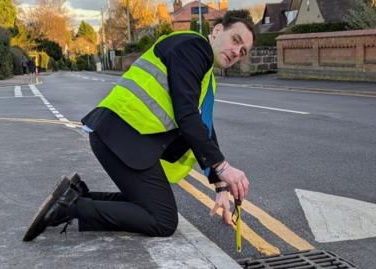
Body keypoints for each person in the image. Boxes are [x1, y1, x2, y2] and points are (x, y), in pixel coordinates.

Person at [23, 10, 254, 242]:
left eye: (243, 51)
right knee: (163, 221)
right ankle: (69, 209)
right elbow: (187, 116)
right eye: (235, 40)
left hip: (124, 138)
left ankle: (76, 196)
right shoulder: (193, 47)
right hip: (122, 137)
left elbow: (204, 128)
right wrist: (223, 167)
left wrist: (220, 185)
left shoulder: (204, 72)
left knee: (151, 207)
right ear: (216, 31)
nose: (236, 52)